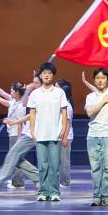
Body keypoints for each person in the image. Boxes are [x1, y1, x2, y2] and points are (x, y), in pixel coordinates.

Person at [0, 73, 40, 193]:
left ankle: (4, 182)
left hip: (24, 133)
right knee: (15, 158)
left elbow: (27, 116)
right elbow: (1, 96)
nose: (32, 84)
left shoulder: (29, 100)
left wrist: (15, 126)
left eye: (36, 82)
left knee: (13, 156)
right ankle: (39, 179)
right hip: (25, 132)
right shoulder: (16, 101)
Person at [27, 62, 70, 202]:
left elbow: (64, 112)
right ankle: (43, 191)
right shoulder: (35, 94)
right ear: (40, 75)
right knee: (42, 165)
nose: (47, 75)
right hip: (40, 134)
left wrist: (63, 129)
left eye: (49, 73)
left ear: (53, 76)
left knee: (54, 165)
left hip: (55, 134)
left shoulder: (59, 92)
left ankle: (54, 191)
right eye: (44, 73)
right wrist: (32, 130)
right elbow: (32, 113)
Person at [84, 67, 108, 206]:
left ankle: (106, 196)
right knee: (95, 167)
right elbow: (90, 113)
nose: (100, 80)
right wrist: (103, 100)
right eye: (98, 78)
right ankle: (96, 195)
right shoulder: (90, 97)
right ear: (94, 80)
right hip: (93, 135)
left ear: (107, 80)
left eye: (103, 78)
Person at [55, 78, 75, 188]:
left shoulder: (67, 106)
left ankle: (65, 181)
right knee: (59, 160)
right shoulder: (61, 105)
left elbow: (68, 123)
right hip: (60, 136)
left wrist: (64, 137)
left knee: (64, 161)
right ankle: (60, 180)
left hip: (65, 136)